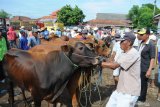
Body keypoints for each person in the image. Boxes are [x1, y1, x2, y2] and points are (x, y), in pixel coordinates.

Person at [102, 32, 141, 107]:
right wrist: (101, 60)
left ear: (129, 42)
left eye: (122, 41)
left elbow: (114, 66)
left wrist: (98, 63)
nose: (120, 43)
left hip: (129, 92)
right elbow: (113, 63)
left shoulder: (133, 53)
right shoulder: (124, 53)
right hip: (121, 89)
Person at [137, 28, 155, 106]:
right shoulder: (141, 42)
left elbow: (152, 58)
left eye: (142, 34)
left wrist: (149, 70)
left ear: (147, 35)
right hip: (139, 66)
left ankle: (142, 99)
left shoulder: (151, 44)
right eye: (140, 34)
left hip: (145, 67)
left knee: (143, 84)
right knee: (139, 83)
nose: (140, 36)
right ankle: (138, 96)